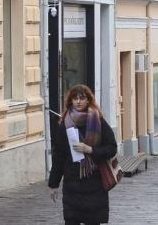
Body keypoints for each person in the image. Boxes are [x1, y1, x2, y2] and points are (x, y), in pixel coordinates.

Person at [48, 84, 117, 225]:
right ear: (70, 101)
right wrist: (53, 184)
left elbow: (112, 148)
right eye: (75, 98)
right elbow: (58, 156)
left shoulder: (98, 121)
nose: (78, 101)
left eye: (82, 98)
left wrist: (90, 150)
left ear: (88, 100)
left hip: (94, 184)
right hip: (72, 184)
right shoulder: (64, 124)